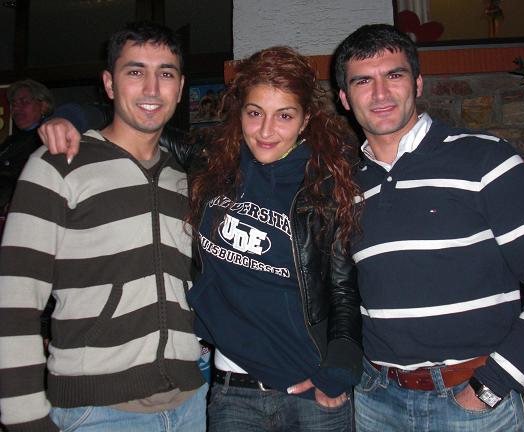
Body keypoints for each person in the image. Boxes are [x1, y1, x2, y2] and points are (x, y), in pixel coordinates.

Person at [37, 45, 364, 432]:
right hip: (232, 390)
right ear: (239, 111)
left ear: (305, 118)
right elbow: (138, 123)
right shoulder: (212, 162)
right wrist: (71, 118)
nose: (265, 131)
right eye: (255, 113)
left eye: (284, 115)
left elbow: (343, 288)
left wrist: (340, 365)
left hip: (311, 389)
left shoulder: (326, 184)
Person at [332, 23, 524, 431]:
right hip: (376, 401)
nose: (380, 93)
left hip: (471, 402)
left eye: (394, 75)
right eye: (363, 81)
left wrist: (490, 386)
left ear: (418, 83)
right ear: (344, 97)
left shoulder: (485, 160)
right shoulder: (346, 187)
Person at [0, 21, 207, 432]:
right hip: (97, 411)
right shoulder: (58, 163)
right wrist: (24, 417)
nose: (152, 88)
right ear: (110, 84)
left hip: (190, 403)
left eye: (166, 73)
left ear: (181, 87)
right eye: (135, 71)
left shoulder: (183, 179)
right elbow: (15, 298)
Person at [0, 79, 54, 213]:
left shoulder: (48, 139)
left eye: (24, 102)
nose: (16, 109)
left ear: (44, 106)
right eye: (13, 104)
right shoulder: (11, 141)